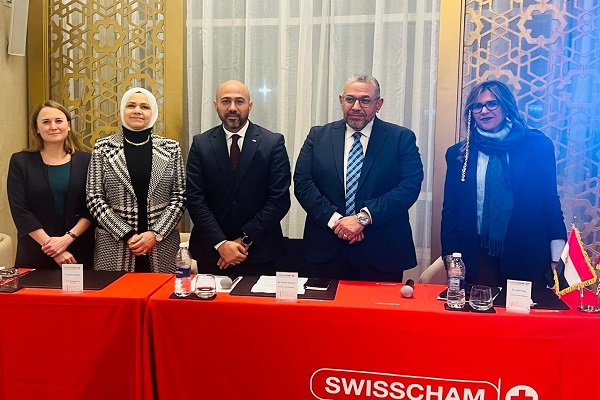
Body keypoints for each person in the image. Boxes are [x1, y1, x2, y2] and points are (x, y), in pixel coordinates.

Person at [294, 74, 424, 282]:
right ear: (341, 100)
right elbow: (303, 184)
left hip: (382, 251)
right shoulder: (318, 136)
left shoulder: (401, 138)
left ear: (378, 104)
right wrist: (338, 222)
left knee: (378, 306)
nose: (356, 107)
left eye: (365, 100)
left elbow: (409, 187)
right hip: (326, 250)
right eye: (350, 99)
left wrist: (362, 219)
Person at [441, 80, 566, 287]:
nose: (484, 111)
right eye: (477, 106)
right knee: (480, 307)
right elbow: (450, 212)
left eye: (492, 104)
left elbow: (549, 201)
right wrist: (451, 258)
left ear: (506, 106)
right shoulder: (459, 154)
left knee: (523, 309)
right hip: (475, 257)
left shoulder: (537, 146)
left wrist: (556, 254)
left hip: (526, 254)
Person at [186, 80, 291, 276]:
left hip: (259, 252)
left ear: (250, 106)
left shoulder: (272, 143)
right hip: (212, 253)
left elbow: (279, 200)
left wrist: (243, 240)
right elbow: (195, 199)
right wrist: (221, 244)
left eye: (239, 101)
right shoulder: (201, 144)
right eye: (226, 101)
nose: (232, 108)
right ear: (216, 105)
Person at [86, 87, 185, 273]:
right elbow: (94, 198)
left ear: (153, 112)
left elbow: (179, 196)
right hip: (115, 245)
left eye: (144, 107)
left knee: (161, 292)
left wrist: (155, 234)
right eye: (131, 105)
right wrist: (127, 234)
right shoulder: (103, 148)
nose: (137, 111)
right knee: (117, 292)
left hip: (161, 245)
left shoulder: (171, 148)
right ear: (122, 110)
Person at [7, 101, 95, 269]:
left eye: (59, 121)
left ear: (68, 126)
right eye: (46, 122)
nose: (53, 127)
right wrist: (54, 249)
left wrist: (67, 239)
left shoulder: (87, 160)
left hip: (77, 249)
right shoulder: (21, 161)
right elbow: (20, 211)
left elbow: (91, 208)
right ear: (37, 128)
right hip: (35, 250)